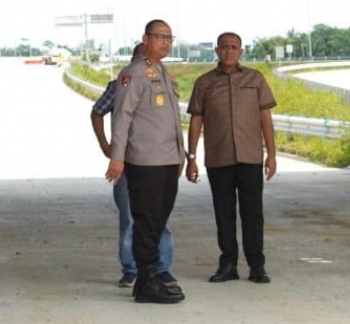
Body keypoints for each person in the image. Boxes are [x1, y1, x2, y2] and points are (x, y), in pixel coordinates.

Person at [186, 32, 278, 284]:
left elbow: (265, 119)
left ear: (241, 51)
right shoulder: (204, 83)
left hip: (250, 157)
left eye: (234, 47)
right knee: (223, 213)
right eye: (224, 47)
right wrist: (191, 157)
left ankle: (256, 266)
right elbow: (196, 120)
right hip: (219, 159)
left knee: (253, 214)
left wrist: (271, 154)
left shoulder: (255, 79)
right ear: (216, 50)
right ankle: (228, 265)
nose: (229, 51)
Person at [105, 20, 186, 304]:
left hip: (167, 160)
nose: (165, 42)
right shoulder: (134, 74)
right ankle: (147, 277)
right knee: (146, 219)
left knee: (159, 217)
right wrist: (117, 157)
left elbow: (172, 120)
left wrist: (181, 154)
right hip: (145, 160)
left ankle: (147, 280)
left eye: (169, 37)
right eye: (159, 37)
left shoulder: (163, 72)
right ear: (145, 39)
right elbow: (122, 116)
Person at [90, 42, 176, 288]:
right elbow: (99, 112)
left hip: (157, 161)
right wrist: (108, 148)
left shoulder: (164, 83)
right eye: (143, 58)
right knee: (131, 216)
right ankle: (131, 268)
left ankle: (162, 268)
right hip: (129, 162)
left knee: (161, 217)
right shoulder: (124, 82)